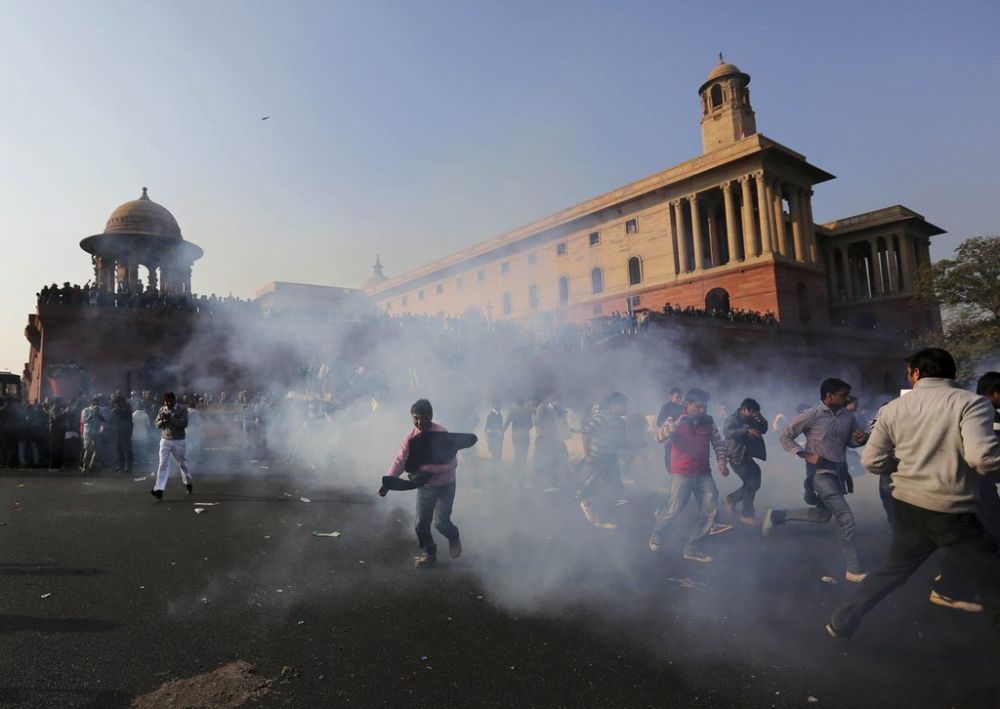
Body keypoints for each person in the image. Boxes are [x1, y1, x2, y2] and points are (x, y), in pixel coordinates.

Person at [827, 349, 1000, 648]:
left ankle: (841, 620)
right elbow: (982, 458)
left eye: (909, 370)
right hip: (951, 510)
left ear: (917, 373)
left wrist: (908, 466)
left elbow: (872, 462)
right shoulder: (972, 404)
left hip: (908, 505)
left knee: (893, 570)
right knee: (994, 578)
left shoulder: (893, 408)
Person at [765, 378, 869, 582]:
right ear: (829, 396)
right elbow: (784, 436)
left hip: (838, 472)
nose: (847, 399)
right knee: (845, 516)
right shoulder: (811, 415)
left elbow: (849, 442)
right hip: (819, 473)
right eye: (842, 395)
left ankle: (778, 516)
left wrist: (860, 440)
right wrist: (805, 454)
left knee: (822, 516)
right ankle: (854, 570)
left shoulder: (849, 416)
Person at [648, 388, 729, 562]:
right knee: (674, 507)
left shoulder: (708, 420)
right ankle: (657, 533)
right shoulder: (674, 419)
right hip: (681, 473)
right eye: (698, 407)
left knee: (710, 509)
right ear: (687, 405)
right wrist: (676, 424)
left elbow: (718, 443)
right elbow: (659, 437)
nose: (702, 411)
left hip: (703, 473)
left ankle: (693, 548)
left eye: (704, 407)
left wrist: (722, 461)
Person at [385, 399, 461, 568]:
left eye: (424, 418)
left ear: (431, 416)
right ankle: (429, 554)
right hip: (425, 487)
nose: (420, 422)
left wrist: (429, 469)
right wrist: (389, 480)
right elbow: (401, 460)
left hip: (445, 486)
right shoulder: (411, 437)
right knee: (421, 524)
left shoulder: (442, 435)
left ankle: (453, 536)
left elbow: (452, 463)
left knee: (441, 522)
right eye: (416, 418)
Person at [577, 392, 630, 529]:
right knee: (611, 489)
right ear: (613, 405)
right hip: (599, 458)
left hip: (611, 458)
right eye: (623, 405)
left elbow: (621, 443)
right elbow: (585, 431)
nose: (625, 408)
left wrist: (637, 444)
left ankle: (587, 500)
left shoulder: (621, 422)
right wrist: (588, 454)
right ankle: (601, 517)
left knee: (615, 490)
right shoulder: (603, 417)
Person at [723, 398, 768, 524]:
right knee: (751, 483)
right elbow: (727, 432)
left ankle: (732, 499)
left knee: (755, 481)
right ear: (745, 409)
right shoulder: (732, 419)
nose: (754, 415)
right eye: (753, 412)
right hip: (736, 457)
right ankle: (747, 514)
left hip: (747, 457)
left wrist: (761, 418)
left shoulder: (751, 419)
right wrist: (746, 430)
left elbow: (763, 429)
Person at [150, 392, 193, 500]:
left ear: (174, 401)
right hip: (165, 439)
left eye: (170, 402)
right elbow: (156, 424)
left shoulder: (182, 410)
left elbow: (184, 424)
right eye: (166, 402)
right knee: (163, 464)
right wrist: (163, 421)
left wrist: (171, 419)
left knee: (182, 463)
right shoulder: (162, 410)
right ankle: (159, 490)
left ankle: (188, 483)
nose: (168, 404)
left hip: (179, 440)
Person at [655, 388, 684, 472]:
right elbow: (659, 422)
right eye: (677, 397)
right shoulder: (665, 407)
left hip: (682, 440)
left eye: (681, 397)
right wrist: (672, 423)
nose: (679, 399)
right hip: (670, 440)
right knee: (669, 464)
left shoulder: (684, 408)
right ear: (670, 396)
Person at [80, 397, 105, 474]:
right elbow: (83, 421)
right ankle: (85, 467)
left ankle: (91, 465)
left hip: (96, 432)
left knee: (98, 450)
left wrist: (101, 429)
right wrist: (92, 414)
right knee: (89, 449)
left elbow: (104, 421)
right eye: (95, 404)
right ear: (91, 404)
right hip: (88, 432)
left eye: (97, 404)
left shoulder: (100, 411)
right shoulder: (86, 410)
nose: (96, 405)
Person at [111, 393, 134, 473]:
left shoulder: (126, 407)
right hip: (119, 431)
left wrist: (117, 410)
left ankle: (129, 467)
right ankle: (121, 466)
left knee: (127, 449)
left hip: (126, 431)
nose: (115, 405)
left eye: (116, 403)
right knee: (119, 449)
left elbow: (124, 416)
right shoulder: (119, 407)